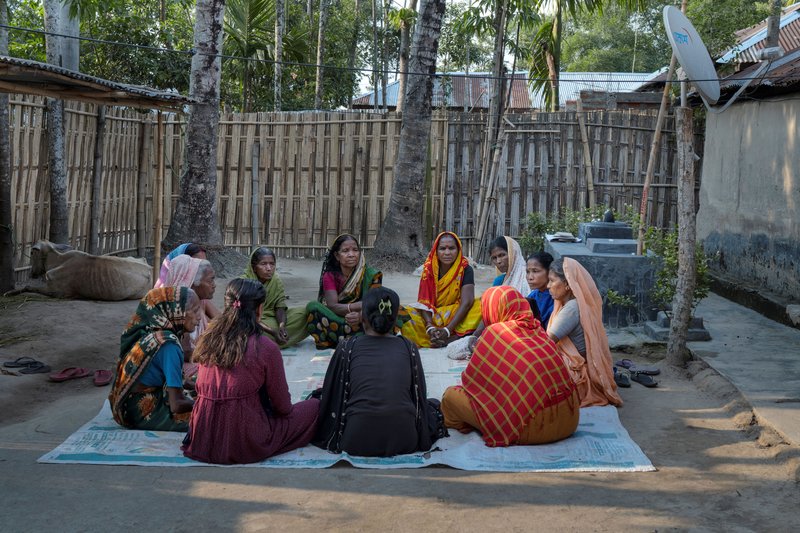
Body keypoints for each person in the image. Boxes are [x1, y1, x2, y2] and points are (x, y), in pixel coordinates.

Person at [182, 279, 320, 464]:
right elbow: (283, 407)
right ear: (260, 310)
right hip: (246, 439)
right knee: (315, 407)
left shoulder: (207, 338)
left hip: (203, 437)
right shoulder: (264, 347)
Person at [441, 286, 579, 447]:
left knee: (450, 397)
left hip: (529, 429)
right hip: (569, 420)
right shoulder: (538, 330)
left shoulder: (495, 333)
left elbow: (472, 383)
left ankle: (481, 425)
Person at [312, 287, 443, 456]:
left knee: (316, 401)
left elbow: (332, 394)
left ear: (362, 317)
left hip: (354, 440)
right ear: (395, 319)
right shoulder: (408, 346)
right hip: (405, 440)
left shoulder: (347, 346)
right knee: (433, 406)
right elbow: (417, 397)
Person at [109, 286, 200, 431]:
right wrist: (208, 404)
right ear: (178, 313)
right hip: (141, 412)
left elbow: (182, 381)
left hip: (127, 405)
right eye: (194, 311)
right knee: (211, 418)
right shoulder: (169, 345)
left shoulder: (154, 334)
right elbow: (176, 404)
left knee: (200, 385)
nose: (199, 317)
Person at [546, 257, 622, 407]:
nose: (548, 286)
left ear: (567, 284)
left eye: (552, 281)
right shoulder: (574, 304)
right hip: (576, 365)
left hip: (575, 372)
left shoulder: (572, 309)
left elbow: (546, 344)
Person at [401, 231, 482, 348]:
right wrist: (430, 326)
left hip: (456, 314)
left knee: (481, 305)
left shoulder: (465, 269)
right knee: (403, 313)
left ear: (458, 250)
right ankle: (439, 337)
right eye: (442, 249)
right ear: (436, 251)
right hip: (432, 315)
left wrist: (447, 330)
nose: (447, 253)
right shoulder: (428, 269)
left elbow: (467, 302)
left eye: (452, 248)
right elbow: (424, 302)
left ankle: (450, 338)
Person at [306, 234, 383, 349]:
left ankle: (344, 338)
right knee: (312, 307)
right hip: (338, 319)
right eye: (345, 251)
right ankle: (349, 338)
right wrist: (355, 308)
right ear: (337, 255)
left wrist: (360, 316)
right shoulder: (330, 276)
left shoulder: (372, 275)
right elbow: (332, 306)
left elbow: (374, 303)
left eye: (355, 250)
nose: (351, 254)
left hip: (363, 320)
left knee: (390, 307)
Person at [243, 247, 309, 347]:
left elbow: (280, 306)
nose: (269, 268)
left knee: (306, 313)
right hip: (253, 321)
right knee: (246, 330)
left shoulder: (276, 281)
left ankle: (270, 341)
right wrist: (272, 331)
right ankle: (270, 341)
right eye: (263, 264)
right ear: (254, 267)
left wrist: (282, 326)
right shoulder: (244, 282)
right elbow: (245, 316)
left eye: (272, 264)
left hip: (272, 318)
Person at [162, 255, 219, 354]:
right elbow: (187, 352)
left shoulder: (202, 301)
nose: (214, 285)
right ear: (191, 282)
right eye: (210, 280)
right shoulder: (180, 311)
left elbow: (221, 321)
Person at [526, 252, 555, 329]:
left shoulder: (555, 297)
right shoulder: (533, 296)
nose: (530, 277)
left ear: (549, 272)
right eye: (528, 272)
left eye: (535, 271)